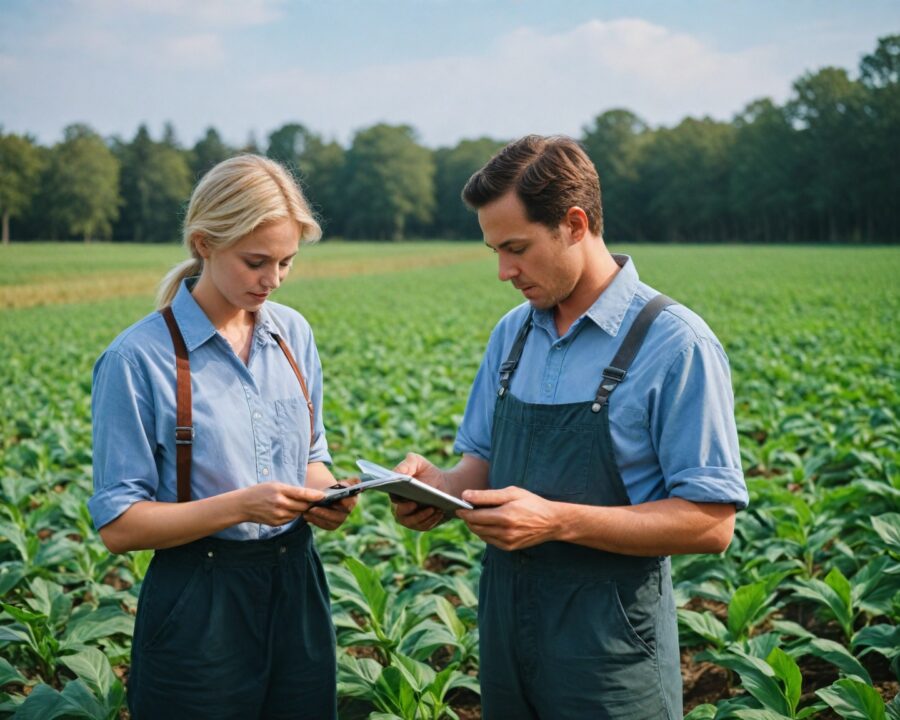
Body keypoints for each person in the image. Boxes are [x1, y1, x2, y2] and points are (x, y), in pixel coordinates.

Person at [392, 135, 748, 720]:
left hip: (609, 655)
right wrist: (439, 488)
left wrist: (556, 520)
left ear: (575, 224)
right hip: (506, 638)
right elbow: (479, 465)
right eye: (495, 251)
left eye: (517, 249)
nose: (504, 272)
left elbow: (711, 522)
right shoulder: (512, 334)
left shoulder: (676, 344)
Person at [89, 154, 355, 720]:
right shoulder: (137, 360)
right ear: (204, 243)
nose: (273, 280)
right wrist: (241, 506)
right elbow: (119, 525)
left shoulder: (293, 335)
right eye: (256, 261)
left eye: (286, 262)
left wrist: (326, 494)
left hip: (296, 584)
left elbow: (311, 456)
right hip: (197, 600)